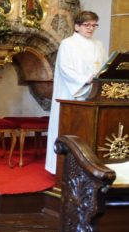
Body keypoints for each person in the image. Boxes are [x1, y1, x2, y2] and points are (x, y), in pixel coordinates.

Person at [45, 11, 108, 174]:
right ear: (77, 26)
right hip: (71, 93)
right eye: (87, 25)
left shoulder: (98, 44)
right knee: (70, 129)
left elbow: (104, 67)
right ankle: (61, 168)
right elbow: (65, 68)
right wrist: (85, 79)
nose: (91, 28)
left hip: (93, 94)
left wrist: (100, 77)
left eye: (94, 25)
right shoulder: (68, 43)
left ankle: (88, 166)